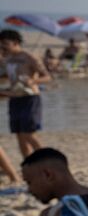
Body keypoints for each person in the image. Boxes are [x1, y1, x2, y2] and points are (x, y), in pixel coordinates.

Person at [0, 30, 52, 158]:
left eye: (5, 44)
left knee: (28, 134)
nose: (3, 47)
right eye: (1, 44)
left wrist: (33, 80)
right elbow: (6, 77)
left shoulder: (29, 57)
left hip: (30, 98)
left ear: (16, 43)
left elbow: (47, 77)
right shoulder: (6, 59)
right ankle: (28, 164)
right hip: (15, 99)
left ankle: (49, 160)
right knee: (19, 135)